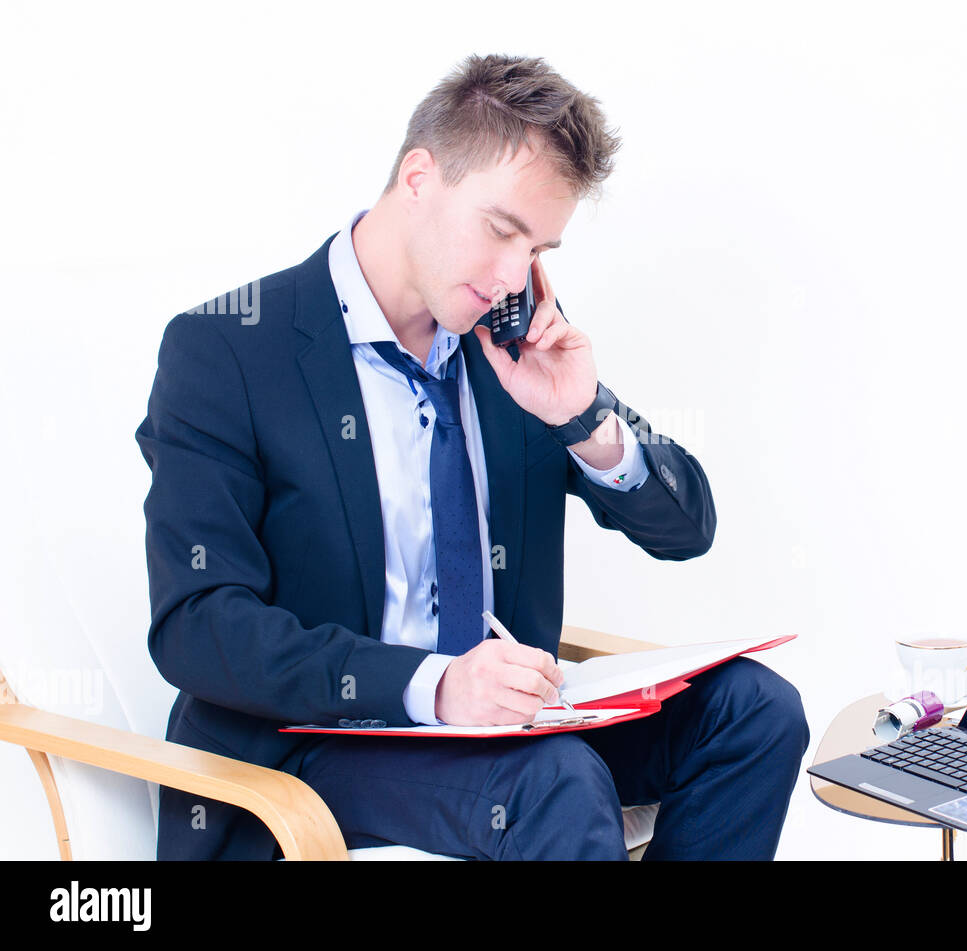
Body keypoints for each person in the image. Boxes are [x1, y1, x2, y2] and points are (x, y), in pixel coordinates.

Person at [135, 53, 808, 860]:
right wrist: (437, 686)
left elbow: (686, 523)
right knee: (556, 781)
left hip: (510, 732)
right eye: (500, 230)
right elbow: (196, 625)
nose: (512, 276)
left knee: (758, 711)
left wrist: (581, 416)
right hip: (324, 746)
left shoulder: (509, 347)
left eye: (540, 247)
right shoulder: (228, 350)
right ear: (419, 177)